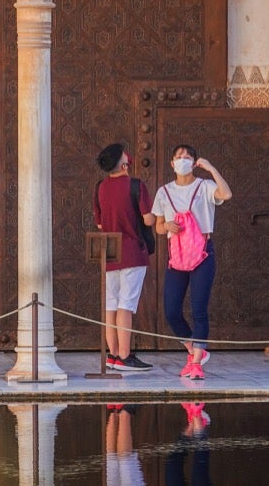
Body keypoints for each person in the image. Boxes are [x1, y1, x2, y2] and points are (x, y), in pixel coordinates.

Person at [152, 144, 232, 380]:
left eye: (188, 157)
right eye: (179, 157)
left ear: (195, 162)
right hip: (177, 256)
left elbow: (226, 194)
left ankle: (196, 363)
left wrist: (211, 169)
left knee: (198, 309)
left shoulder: (205, 186)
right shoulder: (163, 192)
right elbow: (157, 226)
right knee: (172, 311)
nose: (183, 161)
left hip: (202, 253)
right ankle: (194, 350)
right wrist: (166, 225)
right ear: (172, 163)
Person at [93, 143, 156, 371]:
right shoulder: (136, 186)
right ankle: (125, 356)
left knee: (110, 305)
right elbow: (148, 219)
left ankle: (113, 354)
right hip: (132, 251)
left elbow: (100, 223)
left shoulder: (100, 187)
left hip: (109, 253)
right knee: (126, 306)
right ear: (123, 163)